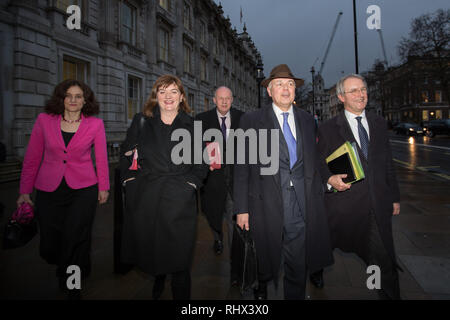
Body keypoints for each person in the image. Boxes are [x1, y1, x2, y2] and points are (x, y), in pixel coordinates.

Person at [233, 64, 334, 300]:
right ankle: (261, 291)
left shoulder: (308, 120)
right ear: (269, 91)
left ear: (295, 90)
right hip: (264, 203)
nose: (285, 88)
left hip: (301, 203)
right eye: (279, 84)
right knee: (264, 258)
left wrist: (329, 177)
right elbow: (241, 167)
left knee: (297, 265)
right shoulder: (251, 120)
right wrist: (241, 209)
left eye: (290, 84)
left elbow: (316, 156)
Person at [17, 79, 110, 299]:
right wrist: (24, 191)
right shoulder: (44, 121)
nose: (73, 100)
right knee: (50, 242)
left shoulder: (95, 124)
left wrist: (103, 187)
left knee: (76, 237)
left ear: (85, 100)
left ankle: (73, 282)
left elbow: (102, 159)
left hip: (84, 188)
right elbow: (32, 158)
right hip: (49, 189)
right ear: (61, 98)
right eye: (69, 95)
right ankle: (65, 265)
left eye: (78, 96)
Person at [119, 74, 207, 300]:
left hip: (180, 198)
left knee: (180, 257)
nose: (168, 96)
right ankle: (158, 279)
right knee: (154, 249)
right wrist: (130, 182)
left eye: (173, 92)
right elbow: (126, 156)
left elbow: (201, 163)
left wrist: (191, 184)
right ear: (155, 96)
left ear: (181, 97)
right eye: (162, 91)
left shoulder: (194, 125)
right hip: (148, 196)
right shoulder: (141, 121)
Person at [316, 74, 401, 299]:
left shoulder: (379, 123)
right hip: (344, 208)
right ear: (341, 96)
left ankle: (385, 293)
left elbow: (387, 162)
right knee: (322, 247)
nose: (361, 94)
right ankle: (315, 269)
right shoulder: (328, 128)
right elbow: (318, 164)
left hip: (377, 205)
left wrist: (394, 197)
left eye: (363, 89)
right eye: (354, 91)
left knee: (382, 260)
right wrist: (329, 179)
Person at [195, 87, 244, 257]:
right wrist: (203, 160)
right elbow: (195, 147)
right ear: (214, 100)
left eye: (228, 98)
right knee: (213, 215)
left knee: (233, 217)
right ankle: (217, 238)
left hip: (235, 179)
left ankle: (235, 259)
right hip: (212, 179)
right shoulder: (201, 120)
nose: (224, 101)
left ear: (232, 100)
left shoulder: (242, 118)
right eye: (220, 98)